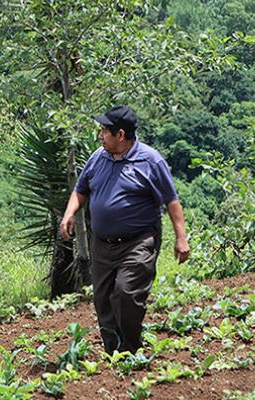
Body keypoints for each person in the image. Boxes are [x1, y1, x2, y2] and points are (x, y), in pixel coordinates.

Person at [60, 105, 190, 354]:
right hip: (102, 243)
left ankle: (130, 350)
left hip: (138, 241)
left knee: (126, 293)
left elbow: (171, 201)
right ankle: (114, 353)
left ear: (121, 135)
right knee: (103, 300)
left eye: (104, 131)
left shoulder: (151, 161)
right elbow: (81, 189)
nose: (100, 136)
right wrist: (70, 213)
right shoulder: (98, 157)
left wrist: (181, 238)